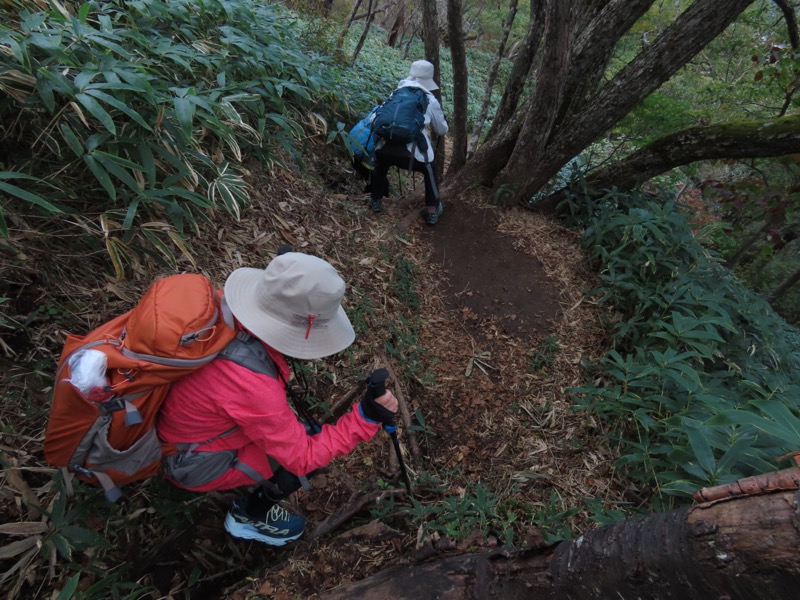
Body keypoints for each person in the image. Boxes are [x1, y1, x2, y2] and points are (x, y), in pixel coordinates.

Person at [156, 250, 398, 546]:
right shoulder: (252, 385)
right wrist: (365, 418)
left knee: (295, 438)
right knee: (302, 459)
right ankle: (249, 517)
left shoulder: (219, 310)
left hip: (179, 424)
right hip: (188, 460)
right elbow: (302, 458)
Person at [369, 59, 449, 225]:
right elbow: (441, 130)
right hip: (411, 155)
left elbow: (374, 119)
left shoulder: (396, 94)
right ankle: (432, 210)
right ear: (428, 80)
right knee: (430, 168)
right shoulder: (429, 99)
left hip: (384, 148)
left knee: (381, 163)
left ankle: (375, 200)